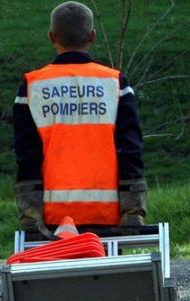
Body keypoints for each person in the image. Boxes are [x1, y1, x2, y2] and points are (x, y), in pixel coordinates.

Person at [13, 1, 146, 234]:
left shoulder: (33, 86)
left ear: (51, 37)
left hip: (52, 219)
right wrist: (133, 210)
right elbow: (130, 148)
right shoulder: (114, 83)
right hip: (109, 215)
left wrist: (30, 215)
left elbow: (27, 154)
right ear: (92, 36)